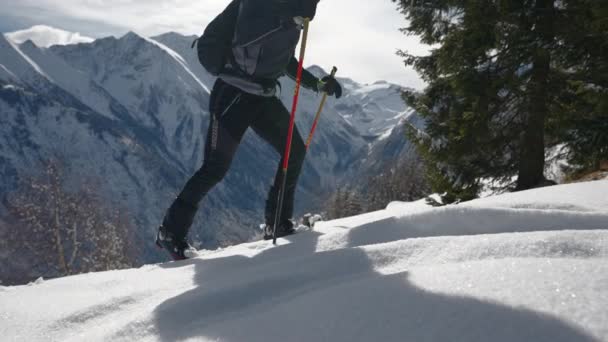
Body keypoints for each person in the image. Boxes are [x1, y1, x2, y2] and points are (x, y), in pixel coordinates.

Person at [156, 0, 342, 260]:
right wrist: (288, 14)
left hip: (262, 96)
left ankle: (277, 223)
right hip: (232, 94)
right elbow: (250, 38)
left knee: (294, 150)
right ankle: (170, 232)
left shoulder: (291, 18)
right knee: (215, 167)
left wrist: (316, 84)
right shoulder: (258, 7)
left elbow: (283, 59)